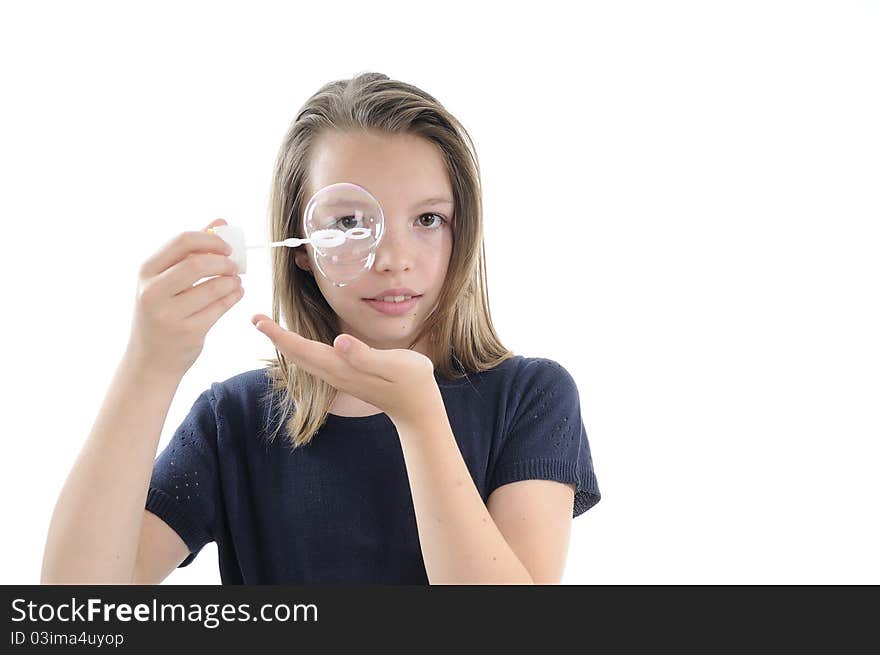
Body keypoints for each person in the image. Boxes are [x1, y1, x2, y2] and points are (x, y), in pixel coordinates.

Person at [41, 72, 601, 585]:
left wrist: (420, 418)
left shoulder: (531, 399)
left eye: (428, 219)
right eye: (351, 223)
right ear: (302, 246)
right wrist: (149, 366)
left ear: (464, 231)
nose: (393, 258)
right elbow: (73, 610)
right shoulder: (234, 422)